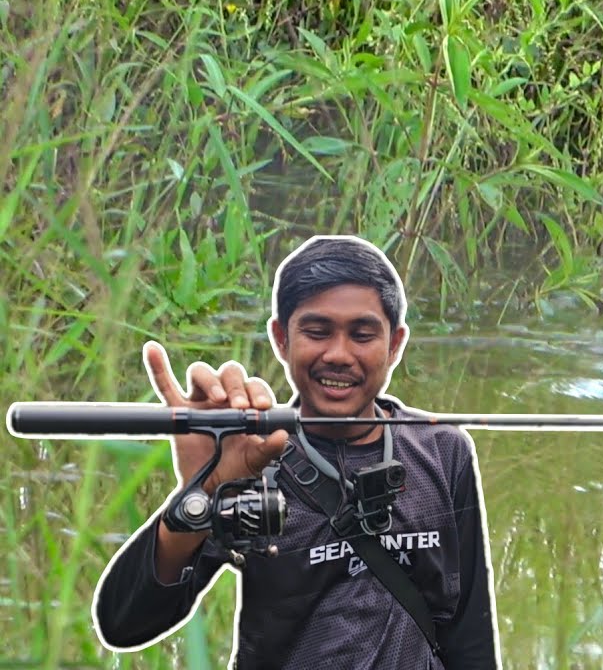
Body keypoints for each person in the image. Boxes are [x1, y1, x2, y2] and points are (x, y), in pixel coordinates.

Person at [92, 235, 500, 669]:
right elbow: (123, 625)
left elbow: (468, 636)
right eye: (317, 332)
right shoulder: (252, 460)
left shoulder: (444, 451)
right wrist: (203, 492)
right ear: (281, 338)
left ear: (395, 344)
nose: (338, 354)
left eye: (362, 335)